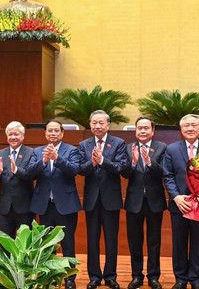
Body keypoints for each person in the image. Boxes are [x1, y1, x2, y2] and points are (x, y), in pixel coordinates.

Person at [17, 120, 81, 289]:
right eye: (50, 131)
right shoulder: (38, 152)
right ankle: (49, 277)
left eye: (56, 130)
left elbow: (75, 170)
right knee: (47, 244)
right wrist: (44, 160)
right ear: (45, 133)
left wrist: (57, 159)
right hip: (45, 205)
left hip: (66, 205)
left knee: (68, 243)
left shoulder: (72, 150)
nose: (53, 133)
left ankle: (69, 278)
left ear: (62, 133)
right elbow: (30, 173)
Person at [162, 114, 199, 289]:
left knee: (198, 242)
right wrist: (176, 197)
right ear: (181, 129)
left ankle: (196, 279)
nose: (190, 129)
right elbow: (168, 175)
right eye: (186, 126)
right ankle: (180, 279)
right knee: (179, 242)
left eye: (194, 125)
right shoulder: (171, 149)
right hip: (179, 204)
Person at [79, 110, 128, 289]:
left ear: (108, 125)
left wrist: (102, 161)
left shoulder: (119, 143)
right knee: (92, 239)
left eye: (101, 123)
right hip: (92, 199)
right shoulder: (83, 144)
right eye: (94, 123)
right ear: (90, 125)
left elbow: (121, 167)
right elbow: (80, 169)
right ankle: (94, 276)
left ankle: (110, 276)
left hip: (111, 199)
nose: (97, 126)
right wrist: (92, 163)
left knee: (111, 239)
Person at [121, 116, 167, 289]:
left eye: (146, 128)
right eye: (139, 128)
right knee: (135, 241)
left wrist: (149, 162)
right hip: (134, 201)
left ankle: (154, 276)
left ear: (153, 131)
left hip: (154, 201)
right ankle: (136, 275)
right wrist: (133, 162)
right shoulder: (128, 148)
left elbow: (163, 172)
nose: (142, 131)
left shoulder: (162, 147)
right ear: (135, 130)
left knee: (154, 241)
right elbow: (124, 174)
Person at [0, 121, 34, 237]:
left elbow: (32, 174)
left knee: (25, 246)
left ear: (23, 136)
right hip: (5, 208)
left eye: (16, 134)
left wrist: (16, 169)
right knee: (5, 245)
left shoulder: (31, 152)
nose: (13, 137)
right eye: (10, 134)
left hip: (25, 207)